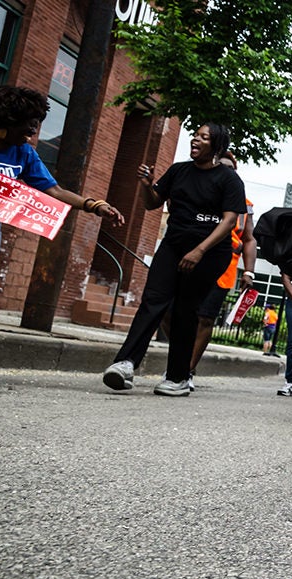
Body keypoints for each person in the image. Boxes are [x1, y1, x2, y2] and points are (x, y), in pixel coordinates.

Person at [0, 85, 124, 339]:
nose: (32, 134)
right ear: (7, 120)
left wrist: (94, 205)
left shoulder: (23, 153)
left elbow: (54, 191)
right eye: (28, 127)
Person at [103, 122, 246, 395]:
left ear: (216, 145)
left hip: (210, 252)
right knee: (153, 300)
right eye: (195, 136)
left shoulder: (228, 180)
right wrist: (146, 185)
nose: (195, 140)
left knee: (185, 309)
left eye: (204, 138)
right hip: (173, 246)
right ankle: (125, 363)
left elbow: (229, 221)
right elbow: (153, 202)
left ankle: (178, 377)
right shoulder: (179, 170)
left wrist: (200, 250)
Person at [188, 150, 256, 389]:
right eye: (222, 167)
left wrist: (248, 271)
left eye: (231, 169)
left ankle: (188, 370)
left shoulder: (244, 206)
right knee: (172, 311)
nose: (226, 172)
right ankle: (181, 355)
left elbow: (249, 239)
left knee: (205, 318)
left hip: (223, 270)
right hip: (191, 262)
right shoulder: (199, 193)